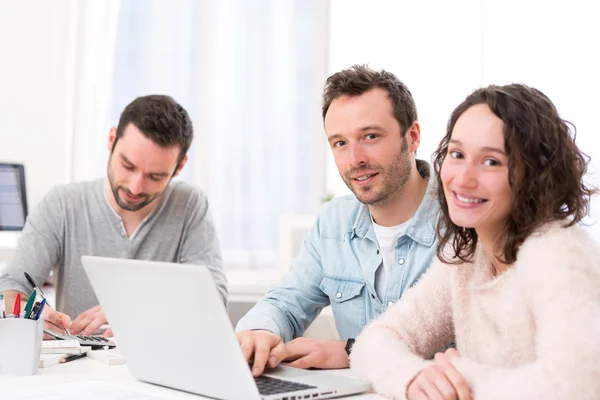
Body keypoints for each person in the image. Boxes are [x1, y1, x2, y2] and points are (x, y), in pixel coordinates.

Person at [350, 83, 600, 400]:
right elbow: (376, 340)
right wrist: (414, 377)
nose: (463, 179)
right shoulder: (467, 256)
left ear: (534, 174)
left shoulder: (557, 251)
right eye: (457, 154)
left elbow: (580, 385)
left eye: (491, 161)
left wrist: (463, 377)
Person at [235, 65, 439, 377]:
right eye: (340, 143)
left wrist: (352, 352)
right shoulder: (335, 222)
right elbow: (286, 303)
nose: (354, 159)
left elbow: (485, 355)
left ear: (412, 137)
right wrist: (260, 332)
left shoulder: (464, 221)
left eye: (370, 136)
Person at [0, 95, 227, 338]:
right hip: (78, 365)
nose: (135, 187)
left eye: (155, 176)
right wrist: (27, 312)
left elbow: (213, 300)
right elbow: (11, 287)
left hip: (160, 365)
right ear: (111, 141)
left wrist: (135, 309)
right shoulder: (63, 204)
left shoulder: (190, 205)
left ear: (179, 167)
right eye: (128, 166)